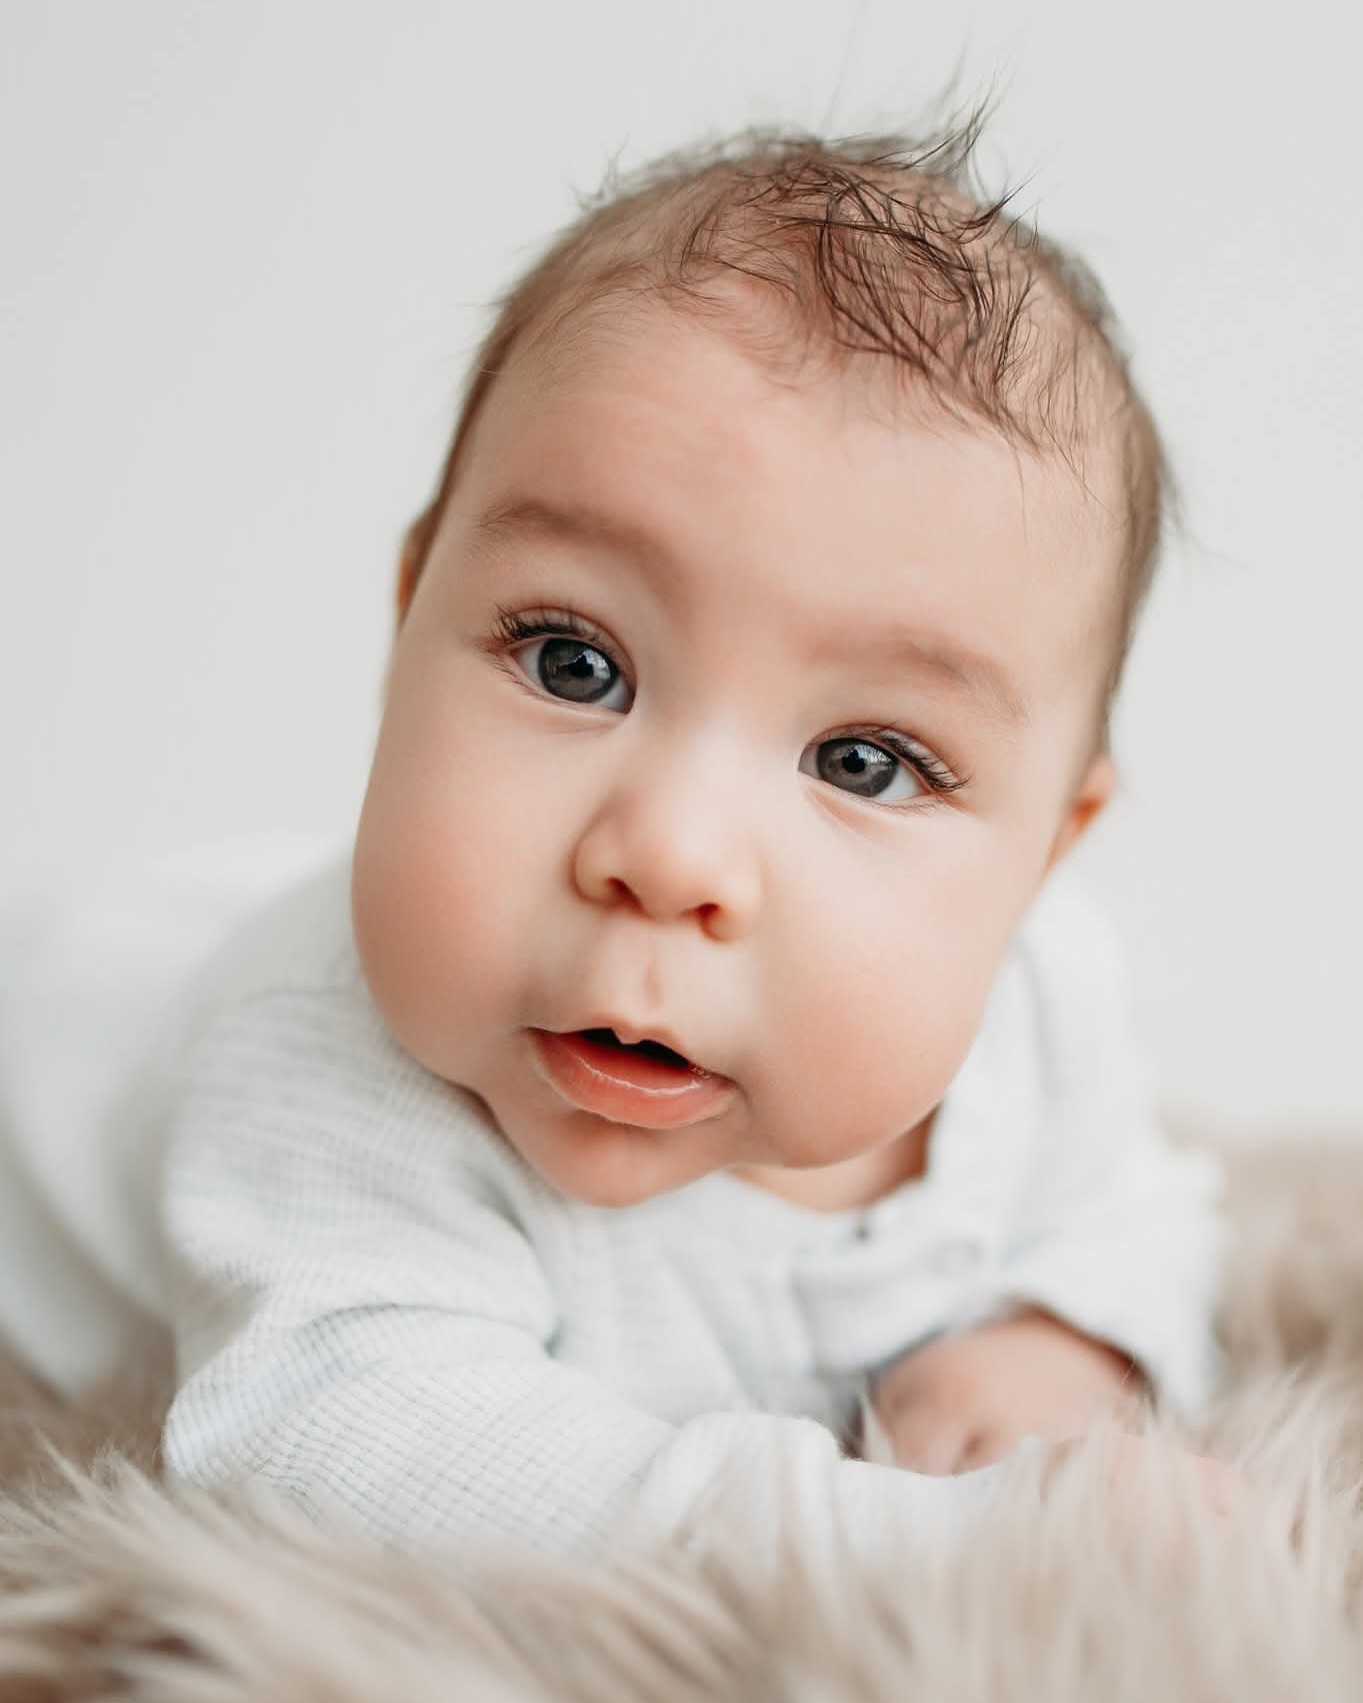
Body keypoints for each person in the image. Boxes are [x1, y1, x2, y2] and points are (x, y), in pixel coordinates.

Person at [0, 118, 1227, 1566]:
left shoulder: (1040, 1011)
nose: (674, 856)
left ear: (1043, 852)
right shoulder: (330, 1073)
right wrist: (904, 1546)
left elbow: (1145, 1216)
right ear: (412, 617)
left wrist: (1064, 1341)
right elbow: (342, 1437)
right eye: (574, 663)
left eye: (864, 762)